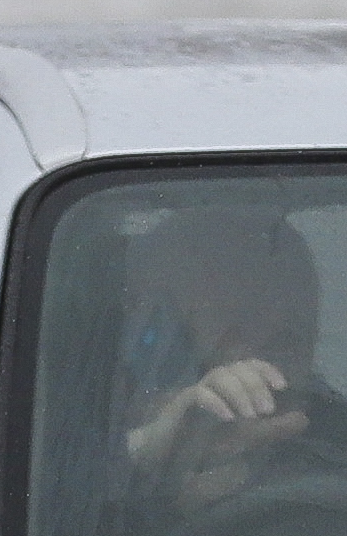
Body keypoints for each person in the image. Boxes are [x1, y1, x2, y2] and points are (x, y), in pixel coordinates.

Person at [110, 202, 318, 514]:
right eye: (239, 324)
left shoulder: (337, 437)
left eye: (288, 336)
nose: (260, 359)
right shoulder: (51, 424)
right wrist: (147, 453)